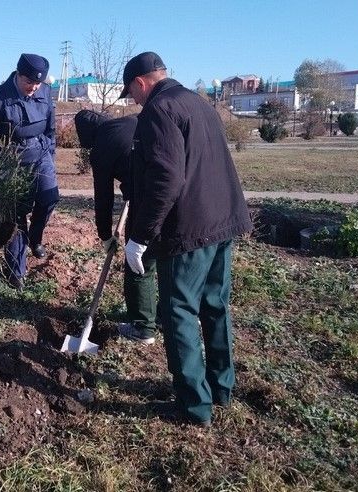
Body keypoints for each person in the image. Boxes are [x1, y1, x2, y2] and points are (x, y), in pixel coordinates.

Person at [119, 52, 252, 426]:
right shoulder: (199, 103)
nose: (133, 100)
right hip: (222, 221)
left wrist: (141, 237)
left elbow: (166, 178)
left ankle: (194, 406)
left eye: (132, 92)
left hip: (190, 230)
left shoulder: (158, 111)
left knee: (178, 312)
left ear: (141, 83)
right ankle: (221, 387)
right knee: (215, 306)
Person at [74, 110, 159, 339]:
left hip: (144, 201)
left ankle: (143, 327)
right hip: (167, 193)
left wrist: (105, 235)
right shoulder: (132, 120)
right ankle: (163, 316)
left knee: (137, 262)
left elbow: (103, 197)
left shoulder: (101, 147)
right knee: (162, 258)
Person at [0, 53, 59, 290]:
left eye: (38, 83)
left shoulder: (44, 92)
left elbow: (51, 129)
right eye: (29, 82)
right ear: (18, 75)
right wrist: (1, 162)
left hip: (41, 154)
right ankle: (17, 271)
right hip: (13, 160)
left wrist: (50, 157)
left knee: (49, 198)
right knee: (16, 215)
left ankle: (36, 238)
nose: (34, 88)